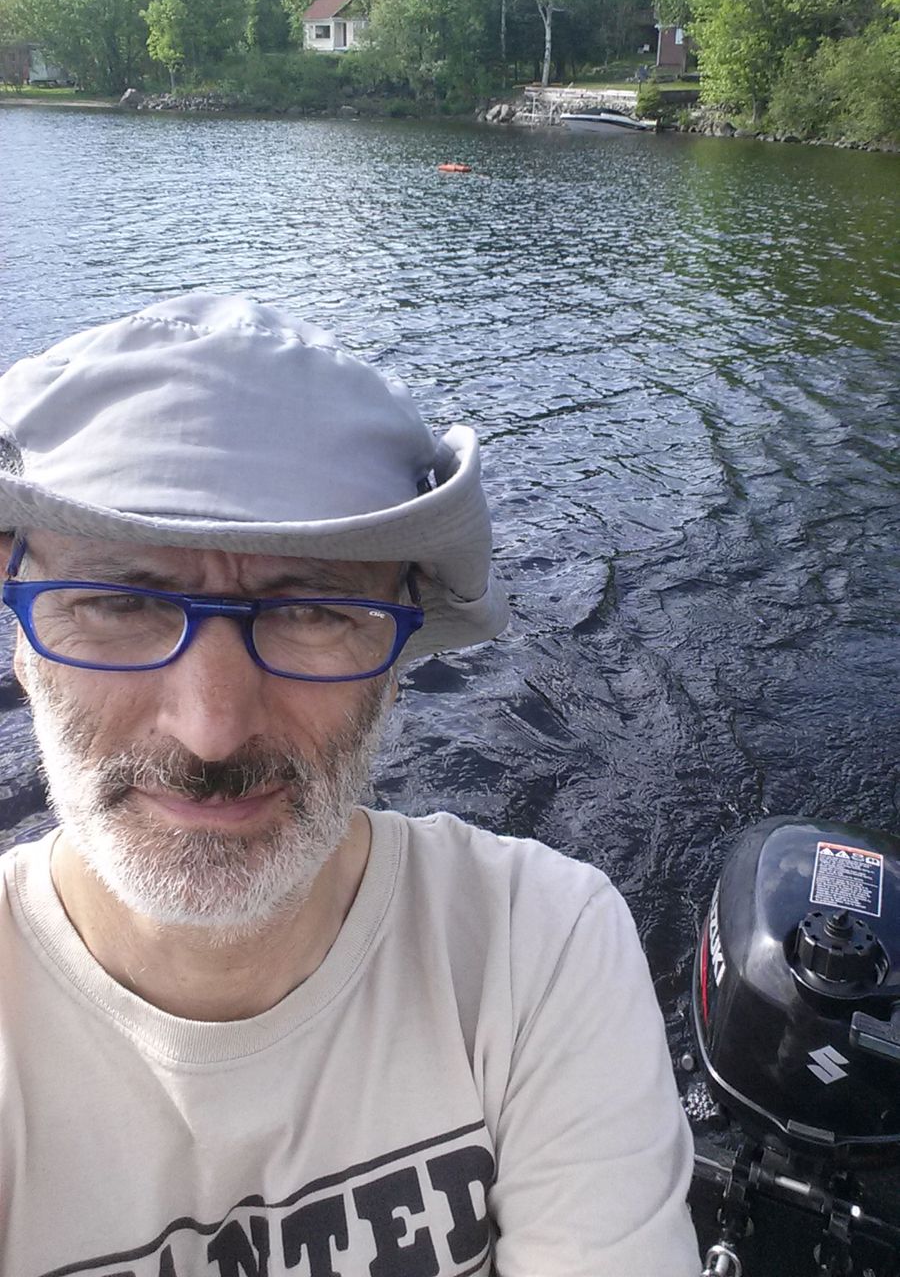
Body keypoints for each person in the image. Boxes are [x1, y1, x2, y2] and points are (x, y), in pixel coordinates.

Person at [0, 294, 700, 1277]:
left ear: (396, 661)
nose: (211, 727)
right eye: (119, 602)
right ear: (22, 640)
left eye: (313, 613)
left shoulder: (538, 947)